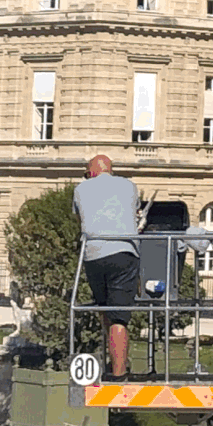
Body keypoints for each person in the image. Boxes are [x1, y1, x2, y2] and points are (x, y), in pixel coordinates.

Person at [72, 154, 141, 379]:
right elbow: (135, 212)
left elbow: (78, 217)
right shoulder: (129, 186)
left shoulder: (81, 189)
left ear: (91, 172)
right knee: (119, 316)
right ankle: (119, 373)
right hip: (123, 251)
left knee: (104, 307)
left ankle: (113, 358)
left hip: (93, 253)